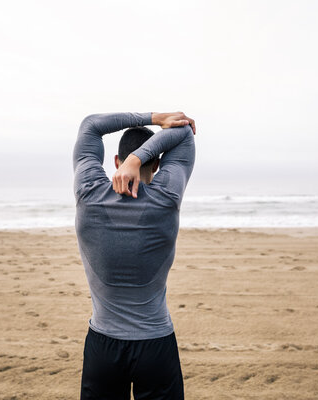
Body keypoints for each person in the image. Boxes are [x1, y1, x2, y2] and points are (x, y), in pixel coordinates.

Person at [73, 111, 196, 399]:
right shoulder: (167, 197)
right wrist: (138, 159)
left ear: (115, 161)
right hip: (155, 345)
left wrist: (153, 116)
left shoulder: (87, 192)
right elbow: (185, 131)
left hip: (103, 346)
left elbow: (91, 126)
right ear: (158, 163)